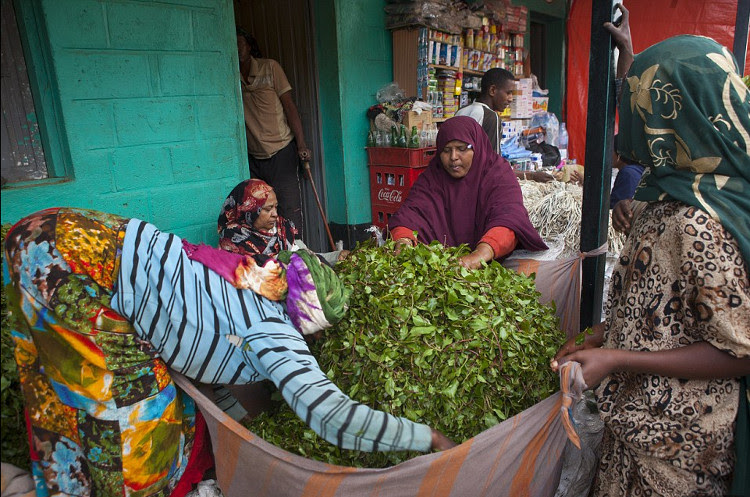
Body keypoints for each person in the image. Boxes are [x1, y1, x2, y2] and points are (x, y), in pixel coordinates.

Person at [3, 208, 455, 495]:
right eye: (319, 335)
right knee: (135, 421)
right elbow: (332, 415)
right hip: (70, 265)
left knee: (62, 381)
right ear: (310, 324)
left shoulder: (256, 276)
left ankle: (71, 475)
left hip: (67, 232)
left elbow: (211, 341)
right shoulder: (276, 333)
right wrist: (425, 437)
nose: (316, 344)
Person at [551, 6, 750, 496]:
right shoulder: (669, 189)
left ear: (674, 118)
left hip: (677, 448)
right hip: (637, 427)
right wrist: (604, 336)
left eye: (643, 108)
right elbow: (663, 305)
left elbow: (739, 350)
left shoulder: (698, 219)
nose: (634, 123)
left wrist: (619, 359)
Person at [389, 116, 547, 269]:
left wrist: (478, 257)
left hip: (489, 262)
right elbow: (408, 216)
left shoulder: (497, 173)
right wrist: (404, 242)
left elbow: (509, 219)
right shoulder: (432, 177)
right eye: (446, 150)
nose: (453, 157)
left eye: (462, 149)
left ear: (477, 147)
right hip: (439, 266)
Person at [237, 27, 310, 238]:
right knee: (259, 214)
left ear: (250, 46)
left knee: (289, 211)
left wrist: (302, 144)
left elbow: (290, 107)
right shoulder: (231, 76)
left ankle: (297, 255)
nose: (237, 49)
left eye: (240, 44)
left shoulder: (270, 68)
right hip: (254, 157)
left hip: (281, 152)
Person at [218, 178, 348, 265]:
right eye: (268, 209)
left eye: (275, 207)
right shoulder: (232, 239)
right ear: (249, 211)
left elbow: (308, 256)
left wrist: (336, 257)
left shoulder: (283, 228)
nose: (275, 214)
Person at [456, 68, 554, 183]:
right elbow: (493, 168)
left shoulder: (461, 111)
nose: (511, 99)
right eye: (508, 93)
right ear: (492, 90)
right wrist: (532, 176)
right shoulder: (491, 117)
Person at [609, 134, 644, 209]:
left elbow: (617, 209)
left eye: (610, 150)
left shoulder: (628, 173)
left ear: (619, 153)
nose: (607, 154)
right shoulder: (637, 170)